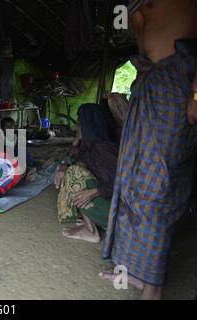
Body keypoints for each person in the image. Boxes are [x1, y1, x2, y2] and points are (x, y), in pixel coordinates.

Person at [99, 0, 197, 300]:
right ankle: (129, 270)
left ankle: (152, 289)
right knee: (130, 183)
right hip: (149, 83)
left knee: (156, 189)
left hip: (175, 84)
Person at [54, 104, 119, 243]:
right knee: (71, 169)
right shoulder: (90, 146)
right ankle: (89, 222)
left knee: (75, 173)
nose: (76, 127)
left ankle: (91, 231)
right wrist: (63, 165)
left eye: (80, 123)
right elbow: (72, 159)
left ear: (91, 125)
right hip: (109, 209)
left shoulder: (105, 148)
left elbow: (124, 181)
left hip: (119, 217)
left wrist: (95, 192)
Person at [0, 117, 36, 183]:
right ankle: (23, 173)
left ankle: (28, 170)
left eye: (11, 125)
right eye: (6, 126)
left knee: (26, 153)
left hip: (14, 154)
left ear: (14, 127)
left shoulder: (15, 136)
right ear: (2, 128)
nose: (9, 128)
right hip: (6, 156)